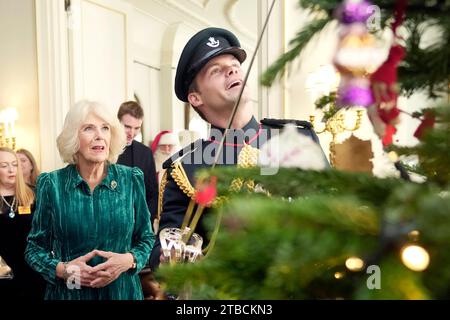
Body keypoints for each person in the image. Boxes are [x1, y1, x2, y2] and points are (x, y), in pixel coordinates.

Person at [149, 27, 326, 270]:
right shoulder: (185, 169)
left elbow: (333, 212)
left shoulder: (297, 137)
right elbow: (166, 246)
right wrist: (168, 259)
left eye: (234, 64)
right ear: (195, 98)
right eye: (216, 71)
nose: (232, 70)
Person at [25, 100, 154, 300]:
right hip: (70, 290)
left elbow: (146, 238)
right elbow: (34, 249)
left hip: (121, 291)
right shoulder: (52, 184)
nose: (99, 136)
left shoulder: (131, 179)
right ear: (73, 138)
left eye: (105, 128)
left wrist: (128, 260)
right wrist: (63, 270)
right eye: (88, 128)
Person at [0, 147, 45, 299]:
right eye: (4, 166)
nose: (11, 170)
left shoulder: (34, 193)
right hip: (4, 272)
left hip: (34, 268)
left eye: (15, 164)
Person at [116, 101, 159, 227]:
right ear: (117, 123)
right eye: (127, 127)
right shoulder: (104, 151)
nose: (132, 133)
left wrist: (144, 219)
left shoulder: (145, 153)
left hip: (139, 226)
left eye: (137, 128)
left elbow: (153, 194)